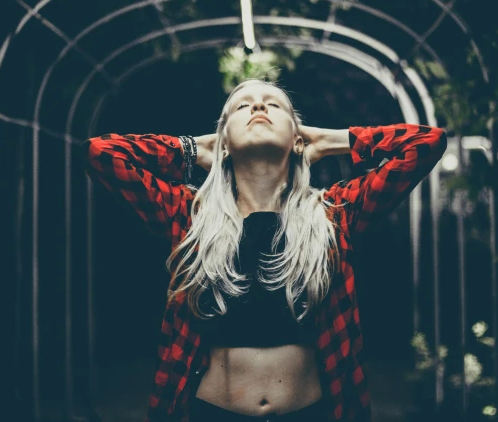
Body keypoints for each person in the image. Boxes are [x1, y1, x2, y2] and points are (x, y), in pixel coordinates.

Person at [85, 79, 447, 422]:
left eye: (275, 105)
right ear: (222, 143)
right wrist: (191, 149)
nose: (258, 105)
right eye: (242, 106)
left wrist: (335, 140)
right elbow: (103, 154)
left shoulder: (335, 214)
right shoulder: (188, 215)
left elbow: (425, 143)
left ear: (298, 138)